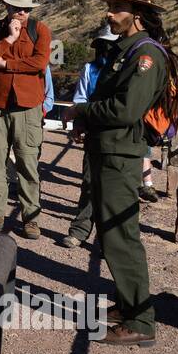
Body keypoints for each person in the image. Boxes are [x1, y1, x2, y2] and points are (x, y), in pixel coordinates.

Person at [61, 0, 178, 348]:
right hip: (109, 150)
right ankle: (126, 304)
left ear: (137, 13)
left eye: (116, 7)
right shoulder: (127, 49)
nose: (109, 13)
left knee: (121, 237)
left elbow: (126, 109)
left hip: (120, 154)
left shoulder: (146, 55)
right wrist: (87, 120)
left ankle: (141, 320)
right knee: (112, 232)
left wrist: (83, 110)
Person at [0, 0, 52, 238]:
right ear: (6, 7)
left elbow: (39, 63)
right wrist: (7, 39)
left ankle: (31, 218)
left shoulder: (40, 30)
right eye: (18, 7)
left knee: (28, 163)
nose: (22, 12)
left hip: (28, 107)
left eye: (27, 8)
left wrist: (6, 64)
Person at [61, 26, 118, 250]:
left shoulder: (128, 70)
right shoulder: (91, 69)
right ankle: (79, 230)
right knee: (89, 182)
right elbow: (81, 98)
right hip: (96, 132)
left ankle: (109, 240)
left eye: (111, 44)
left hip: (119, 133)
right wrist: (79, 123)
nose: (108, 48)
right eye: (105, 44)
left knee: (114, 189)